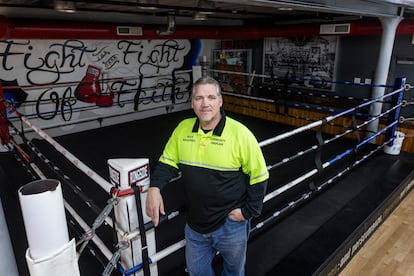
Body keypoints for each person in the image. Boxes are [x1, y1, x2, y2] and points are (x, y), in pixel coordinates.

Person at [145, 76, 269, 276]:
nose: (205, 103)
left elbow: (259, 176)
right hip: (195, 225)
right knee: (197, 273)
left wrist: (248, 212)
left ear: (220, 101)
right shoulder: (182, 129)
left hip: (231, 225)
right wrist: (154, 187)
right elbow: (167, 162)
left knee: (233, 272)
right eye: (199, 98)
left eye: (211, 97)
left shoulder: (240, 134)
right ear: (192, 103)